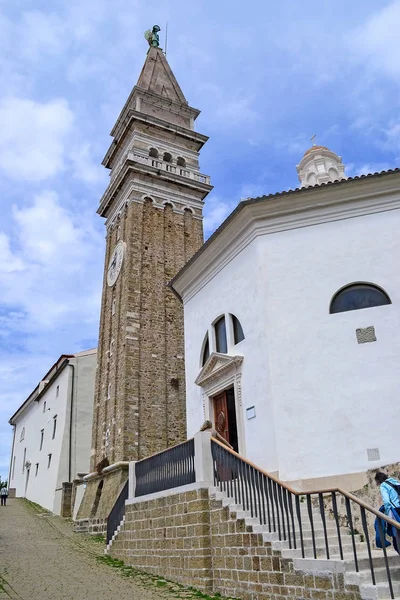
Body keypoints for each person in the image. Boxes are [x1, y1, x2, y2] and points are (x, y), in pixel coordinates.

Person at [375, 471, 400, 550]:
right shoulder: (394, 481)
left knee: (395, 534)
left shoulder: (383, 486)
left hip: (394, 510)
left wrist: (387, 514)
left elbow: (386, 501)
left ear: (378, 480)